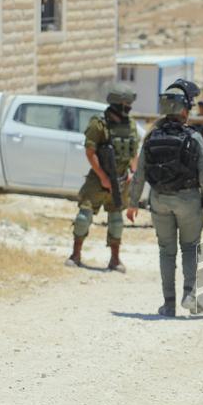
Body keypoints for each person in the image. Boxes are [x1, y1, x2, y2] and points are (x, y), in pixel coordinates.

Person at [127, 81, 203, 317]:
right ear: (184, 109)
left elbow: (140, 174)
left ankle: (168, 304)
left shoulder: (152, 136)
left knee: (166, 251)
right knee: (190, 247)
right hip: (188, 201)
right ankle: (189, 295)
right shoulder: (193, 137)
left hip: (159, 200)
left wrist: (133, 203)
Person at [66, 83, 140, 272]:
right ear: (117, 104)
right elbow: (90, 152)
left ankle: (115, 260)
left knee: (116, 221)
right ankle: (75, 255)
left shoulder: (130, 124)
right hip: (98, 180)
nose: (129, 107)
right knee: (84, 217)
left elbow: (134, 153)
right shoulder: (99, 123)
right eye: (126, 104)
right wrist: (103, 177)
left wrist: (133, 172)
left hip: (122, 180)